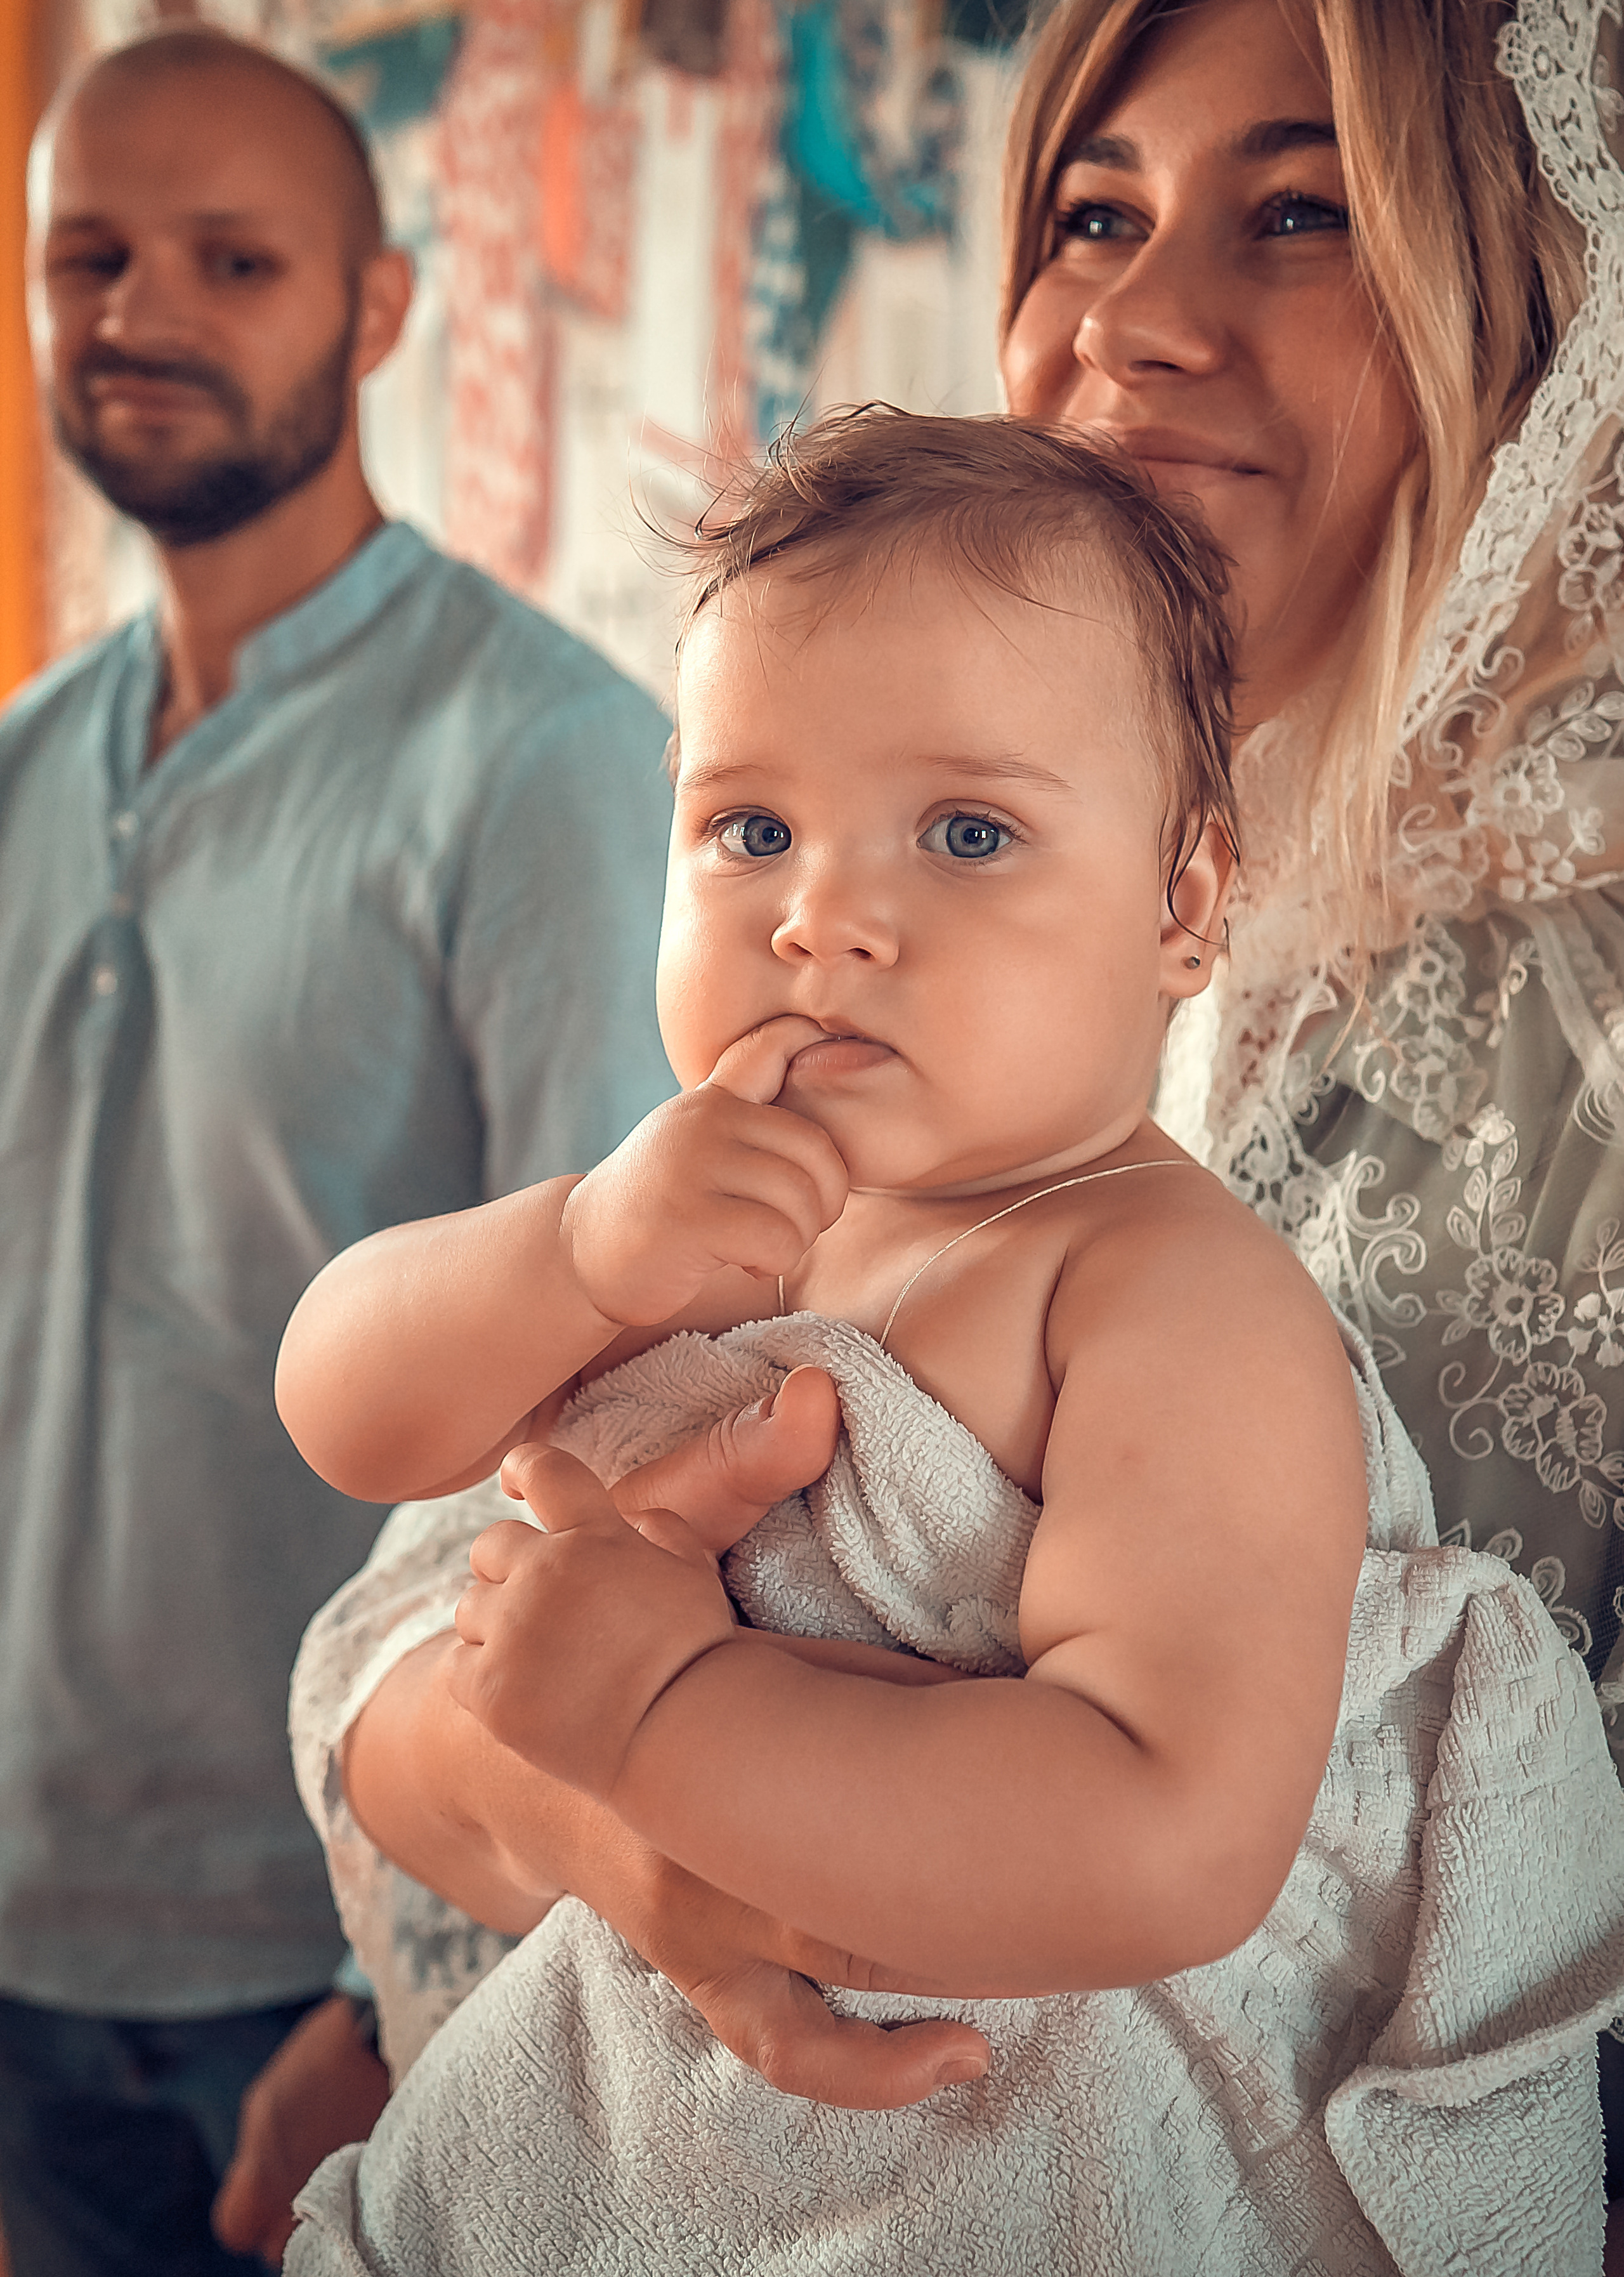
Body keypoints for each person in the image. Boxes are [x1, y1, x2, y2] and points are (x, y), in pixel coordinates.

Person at [279, 411, 1623, 2276]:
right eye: (751, 828)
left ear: (1184, 901)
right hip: (675, 2134)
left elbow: (1166, 1839)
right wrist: (577, 1252)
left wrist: (663, 1717)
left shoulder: (1169, 1293)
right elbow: (342, 1401)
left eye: (968, 831)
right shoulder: (712, 1205)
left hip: (1031, 2158)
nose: (823, 917)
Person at [0, 22, 675, 2274]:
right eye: (86, 256)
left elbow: (631, 1410)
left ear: (377, 312)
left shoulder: (548, 762)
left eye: (231, 259)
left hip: (326, 1957)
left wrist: (413, 1982)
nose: (141, 314)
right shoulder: (20, 765)